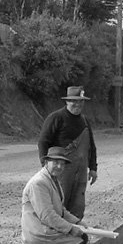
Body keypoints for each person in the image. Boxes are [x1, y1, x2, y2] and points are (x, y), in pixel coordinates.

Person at [37, 86, 98, 219]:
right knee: (58, 204)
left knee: (77, 206)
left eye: (81, 101)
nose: (78, 104)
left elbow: (91, 147)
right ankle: (57, 235)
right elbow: (43, 142)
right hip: (60, 170)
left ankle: (74, 235)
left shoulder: (84, 121)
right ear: (67, 101)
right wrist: (45, 166)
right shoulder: (56, 118)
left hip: (81, 172)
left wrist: (93, 168)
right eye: (74, 101)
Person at [21, 147, 89, 244]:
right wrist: (71, 229)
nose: (59, 167)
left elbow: (61, 211)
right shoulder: (38, 183)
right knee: (79, 240)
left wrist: (77, 222)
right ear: (47, 163)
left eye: (62, 164)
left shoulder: (53, 179)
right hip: (39, 233)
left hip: (49, 228)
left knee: (83, 237)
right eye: (56, 163)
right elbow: (47, 216)